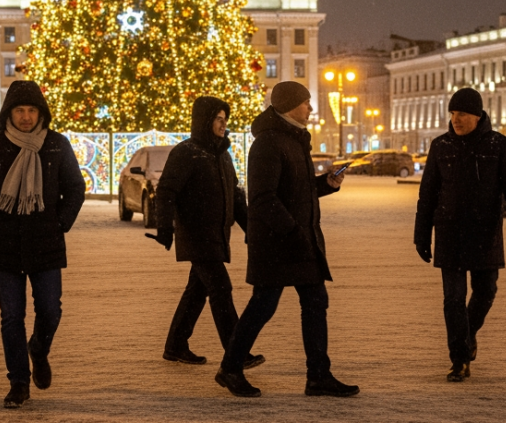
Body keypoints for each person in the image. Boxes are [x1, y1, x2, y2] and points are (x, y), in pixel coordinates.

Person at [215, 81, 359, 398]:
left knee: (315, 302)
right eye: (307, 102)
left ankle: (319, 375)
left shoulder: (294, 140)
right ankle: (230, 368)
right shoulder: (268, 143)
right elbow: (264, 199)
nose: (311, 108)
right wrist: (293, 231)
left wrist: (326, 183)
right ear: (291, 105)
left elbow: (296, 189)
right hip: (278, 242)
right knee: (263, 306)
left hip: (297, 239)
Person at [0, 80, 85, 409]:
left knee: (50, 309)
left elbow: (75, 187)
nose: (26, 116)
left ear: (40, 112)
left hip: (46, 241)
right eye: (19, 110)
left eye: (32, 110)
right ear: (9, 112)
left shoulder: (57, 144)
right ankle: (18, 381)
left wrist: (60, 223)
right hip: (5, 242)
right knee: (11, 317)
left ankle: (39, 349)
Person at [414, 87, 506, 382]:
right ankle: (459, 360)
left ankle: (467, 335)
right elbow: (427, 194)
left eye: (462, 114)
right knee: (452, 299)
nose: (456, 119)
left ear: (477, 116)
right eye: (452, 114)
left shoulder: (497, 145)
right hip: (449, 232)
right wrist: (421, 235)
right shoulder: (441, 146)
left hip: (485, 231)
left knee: (486, 291)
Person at [149, 96, 264, 370]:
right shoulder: (186, 152)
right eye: (218, 119)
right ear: (205, 120)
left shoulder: (221, 154)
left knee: (197, 291)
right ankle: (236, 352)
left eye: (225, 120)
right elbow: (166, 192)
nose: (224, 125)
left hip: (217, 235)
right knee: (221, 288)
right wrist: (165, 227)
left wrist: (252, 228)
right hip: (196, 234)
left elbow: (235, 196)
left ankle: (175, 345)